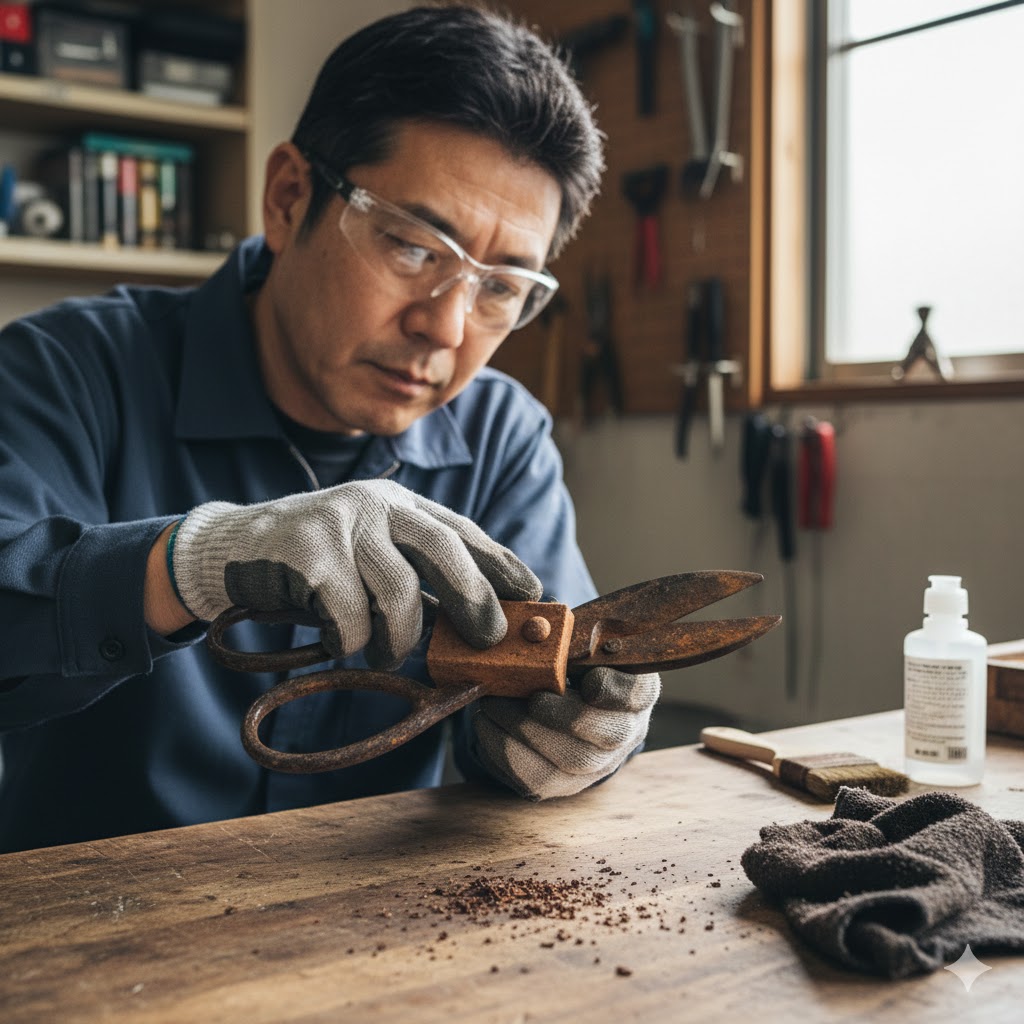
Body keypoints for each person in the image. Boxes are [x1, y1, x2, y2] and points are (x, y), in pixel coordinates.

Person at [0, 3, 660, 854]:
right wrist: (188, 564)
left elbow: (525, 709)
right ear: (288, 199)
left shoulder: (502, 439)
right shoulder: (67, 370)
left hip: (370, 946)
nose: (449, 328)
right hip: (76, 939)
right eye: (416, 247)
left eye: (501, 287)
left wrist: (561, 743)